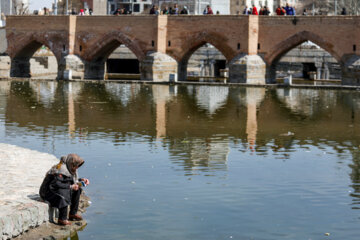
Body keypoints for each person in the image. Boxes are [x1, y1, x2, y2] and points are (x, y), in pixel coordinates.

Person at [39, 154, 90, 226]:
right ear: (71, 164)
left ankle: (73, 213)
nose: (76, 168)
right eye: (76, 166)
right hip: (47, 191)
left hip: (55, 188)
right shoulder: (61, 169)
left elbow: (69, 180)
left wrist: (82, 180)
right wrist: (71, 187)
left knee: (77, 190)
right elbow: (56, 184)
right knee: (63, 194)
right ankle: (62, 219)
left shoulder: (69, 168)